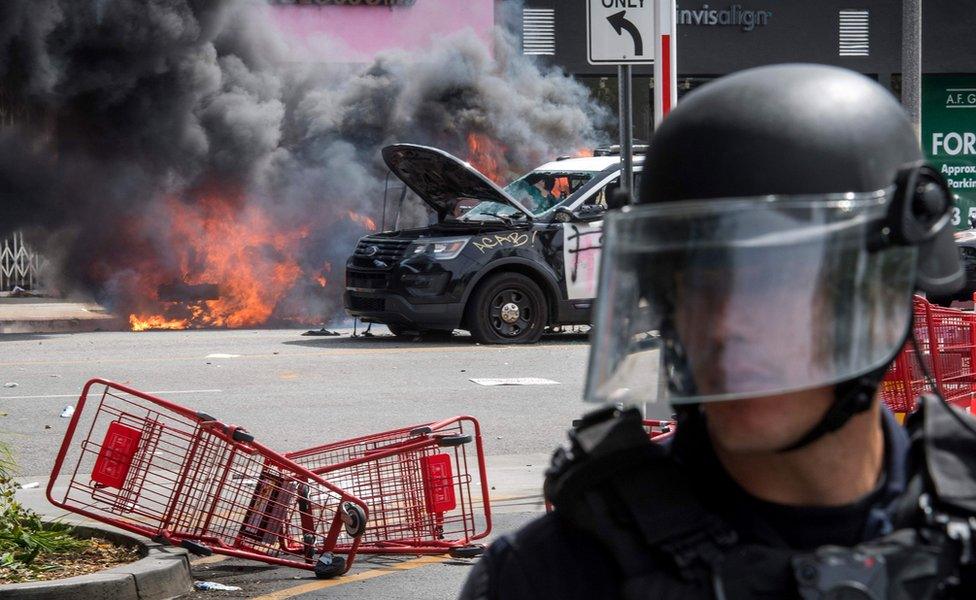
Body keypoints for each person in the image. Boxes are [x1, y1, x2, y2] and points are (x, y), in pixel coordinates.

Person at [459, 64, 976, 599]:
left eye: (773, 284)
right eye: (694, 288)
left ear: (885, 289)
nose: (724, 328)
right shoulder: (554, 576)